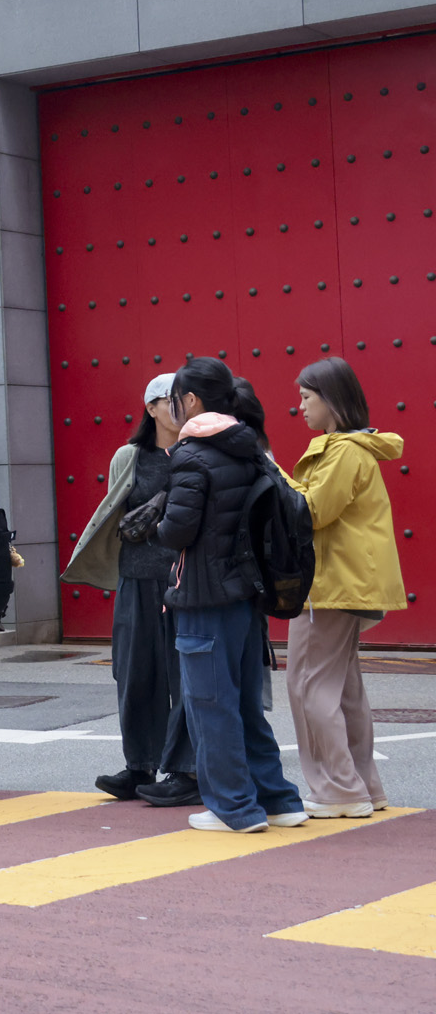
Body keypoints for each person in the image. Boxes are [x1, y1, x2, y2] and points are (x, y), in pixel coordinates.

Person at [153, 359, 307, 833]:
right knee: (242, 705)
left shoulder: (192, 454)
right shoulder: (249, 449)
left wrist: (152, 527)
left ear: (191, 401)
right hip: (245, 596)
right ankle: (279, 800)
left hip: (203, 596)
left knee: (209, 704)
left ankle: (233, 807)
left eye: (176, 398)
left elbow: (179, 530)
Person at [63, 373, 198, 807]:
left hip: (184, 578)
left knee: (185, 676)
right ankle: (139, 764)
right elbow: (115, 511)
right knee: (135, 673)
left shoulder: (198, 451)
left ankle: (185, 770)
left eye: (181, 399)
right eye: (166, 400)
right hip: (136, 577)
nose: (175, 407)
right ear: (151, 408)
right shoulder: (130, 457)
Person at [286, 357, 405, 819]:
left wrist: (273, 474)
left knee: (307, 684)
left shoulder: (341, 451)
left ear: (330, 401)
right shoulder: (357, 449)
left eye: (306, 397)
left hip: (330, 584)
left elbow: (312, 511)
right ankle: (361, 785)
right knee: (343, 688)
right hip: (347, 582)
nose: (300, 407)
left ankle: (338, 788)